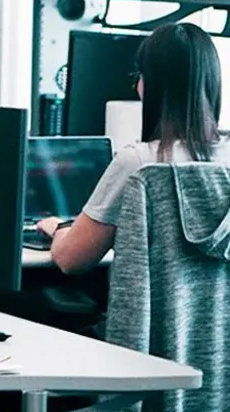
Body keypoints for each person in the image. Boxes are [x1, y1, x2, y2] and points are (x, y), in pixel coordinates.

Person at [40, 21, 230, 274]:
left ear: (154, 84)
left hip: (152, 314)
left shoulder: (140, 163)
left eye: (139, 77)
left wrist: (60, 227)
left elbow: (71, 259)